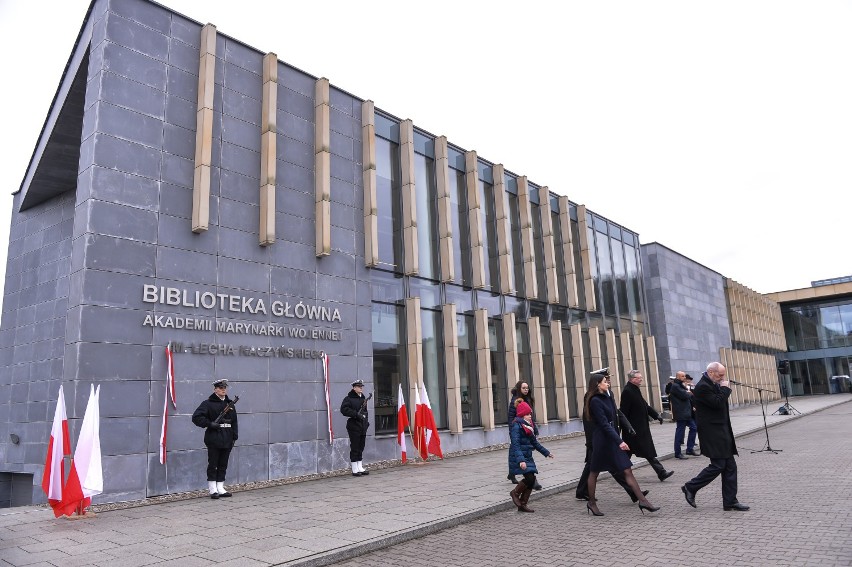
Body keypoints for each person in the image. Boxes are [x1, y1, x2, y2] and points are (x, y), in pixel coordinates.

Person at [584, 373, 659, 516]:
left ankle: (643, 501)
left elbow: (616, 416)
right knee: (594, 472)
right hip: (603, 440)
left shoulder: (609, 395)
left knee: (627, 469)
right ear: (597, 384)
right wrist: (620, 441)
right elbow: (604, 424)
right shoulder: (594, 401)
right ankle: (591, 502)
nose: (608, 383)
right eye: (605, 381)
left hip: (612, 438)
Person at [681, 362, 750, 511]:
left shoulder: (712, 383)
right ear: (711, 372)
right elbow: (717, 403)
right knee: (718, 465)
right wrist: (725, 388)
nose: (722, 378)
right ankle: (690, 487)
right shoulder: (702, 387)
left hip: (721, 431)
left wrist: (722, 387)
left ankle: (730, 501)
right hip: (712, 433)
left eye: (723, 375)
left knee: (730, 466)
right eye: (720, 375)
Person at [619, 369, 674, 481]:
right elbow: (623, 412)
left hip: (640, 428)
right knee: (644, 451)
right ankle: (661, 472)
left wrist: (656, 415)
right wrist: (626, 427)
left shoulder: (635, 390)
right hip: (633, 430)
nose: (641, 379)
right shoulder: (628, 391)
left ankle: (619, 473)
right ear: (632, 379)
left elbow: (645, 405)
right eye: (639, 378)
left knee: (633, 452)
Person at [192, 379, 238, 499]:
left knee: (223, 463)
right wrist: (210, 424)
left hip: (227, 436)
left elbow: (234, 422)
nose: (223, 389)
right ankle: (212, 489)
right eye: (220, 387)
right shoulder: (207, 403)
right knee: (213, 464)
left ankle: (220, 487)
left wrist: (234, 436)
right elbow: (196, 417)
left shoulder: (230, 404)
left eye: (224, 387)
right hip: (214, 436)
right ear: (215, 389)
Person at [508, 399, 553, 512]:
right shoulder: (516, 426)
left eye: (530, 414)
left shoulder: (528, 427)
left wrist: (546, 453)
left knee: (531, 479)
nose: (530, 416)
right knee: (529, 478)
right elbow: (516, 445)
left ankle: (523, 504)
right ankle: (515, 493)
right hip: (519, 456)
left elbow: (535, 443)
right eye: (527, 414)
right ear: (522, 415)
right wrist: (521, 460)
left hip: (527, 455)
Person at [506, 381, 541, 490]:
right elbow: (511, 417)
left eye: (527, 388)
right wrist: (513, 432)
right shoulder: (515, 401)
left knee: (520, 453)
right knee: (524, 454)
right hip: (519, 430)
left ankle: (512, 473)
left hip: (527, 430)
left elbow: (530, 418)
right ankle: (533, 480)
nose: (526, 389)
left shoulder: (527, 400)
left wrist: (534, 429)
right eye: (524, 388)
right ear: (519, 389)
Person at [340, 379, 370, 477]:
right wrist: (356, 414)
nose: (361, 388)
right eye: (358, 386)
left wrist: (366, 423)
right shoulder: (348, 398)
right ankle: (354, 468)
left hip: (362, 426)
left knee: (361, 446)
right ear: (354, 388)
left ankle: (360, 466)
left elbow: (365, 413)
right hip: (354, 425)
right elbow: (344, 410)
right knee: (355, 446)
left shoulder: (363, 398)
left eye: (361, 386)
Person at [670, 371, 699, 458]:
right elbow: (685, 395)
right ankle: (678, 452)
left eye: (684, 376)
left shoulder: (681, 385)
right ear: (678, 377)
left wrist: (688, 392)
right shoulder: (675, 386)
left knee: (694, 428)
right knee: (680, 431)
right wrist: (688, 392)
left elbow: (689, 395)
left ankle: (689, 449)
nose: (684, 377)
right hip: (681, 413)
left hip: (686, 413)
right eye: (682, 376)